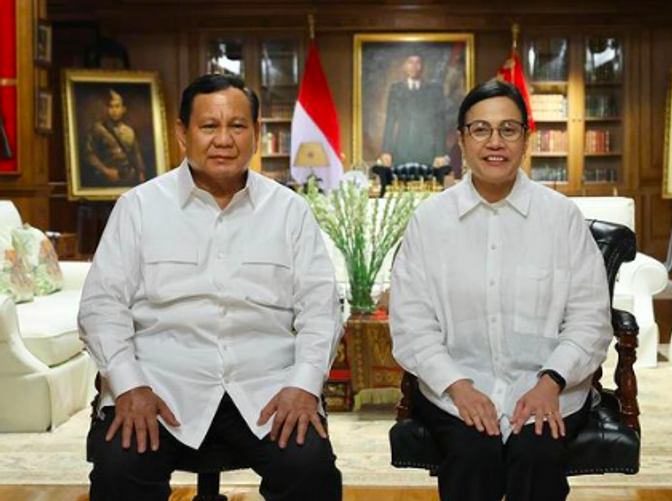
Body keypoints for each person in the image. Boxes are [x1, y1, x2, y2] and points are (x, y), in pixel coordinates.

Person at [79, 74, 343, 501]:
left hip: (266, 391)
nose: (223, 140)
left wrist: (303, 384)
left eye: (237, 126)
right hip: (160, 389)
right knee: (120, 467)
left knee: (310, 468)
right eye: (209, 126)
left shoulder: (290, 211)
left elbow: (321, 310)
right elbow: (101, 307)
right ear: (183, 133)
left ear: (255, 133)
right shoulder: (139, 207)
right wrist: (128, 384)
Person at [390, 79, 613, 501]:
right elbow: (411, 325)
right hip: (454, 389)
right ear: (461, 140)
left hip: (550, 389)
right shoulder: (430, 221)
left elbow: (590, 319)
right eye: (481, 130)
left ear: (526, 140)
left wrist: (551, 381)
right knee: (472, 452)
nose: (495, 142)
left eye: (508, 129)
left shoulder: (561, 217)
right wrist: (458, 386)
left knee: (536, 454)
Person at [380, 53, 448, 168]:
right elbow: (390, 121)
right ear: (405, 65)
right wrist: (386, 151)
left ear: (422, 66)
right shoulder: (396, 89)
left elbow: (440, 122)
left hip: (428, 150)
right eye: (410, 62)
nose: (414, 66)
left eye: (417, 62)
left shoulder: (434, 90)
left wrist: (440, 153)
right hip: (402, 149)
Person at [84, 89, 147, 187]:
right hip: (107, 177)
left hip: (128, 176)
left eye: (117, 106)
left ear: (123, 109)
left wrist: (141, 172)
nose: (114, 110)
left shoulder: (129, 131)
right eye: (111, 106)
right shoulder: (98, 129)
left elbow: (136, 154)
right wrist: (105, 170)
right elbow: (89, 154)